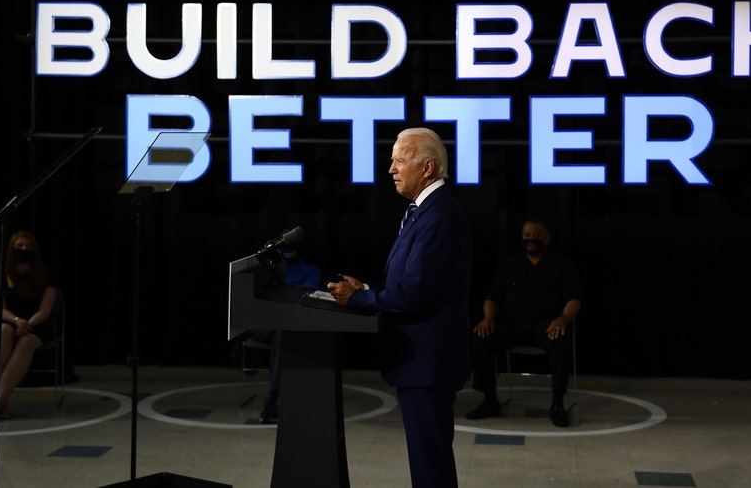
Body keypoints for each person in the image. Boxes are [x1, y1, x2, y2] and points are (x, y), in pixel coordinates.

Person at [328, 127, 471, 488]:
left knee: (430, 464)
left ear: (427, 168)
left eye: (399, 161)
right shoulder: (425, 211)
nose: (391, 169)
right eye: (392, 160)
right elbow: (412, 284)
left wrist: (356, 299)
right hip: (423, 361)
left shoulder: (438, 216)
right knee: (430, 460)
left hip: (427, 363)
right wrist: (369, 288)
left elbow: (412, 295)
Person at [465, 218, 582, 427]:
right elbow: (492, 298)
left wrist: (563, 319)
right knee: (482, 336)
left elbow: (574, 299)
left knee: (562, 340)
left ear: (546, 239)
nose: (530, 241)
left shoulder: (561, 264)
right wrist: (488, 318)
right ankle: (489, 400)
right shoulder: (510, 264)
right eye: (526, 236)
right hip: (513, 324)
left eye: (536, 237)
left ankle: (557, 404)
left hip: (547, 325)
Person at [230, 241, 321, 424]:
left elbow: (305, 301)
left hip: (294, 327)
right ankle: (244, 355)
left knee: (282, 331)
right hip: (270, 322)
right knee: (247, 323)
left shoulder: (311, 271)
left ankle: (273, 396)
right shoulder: (272, 270)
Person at [0, 230, 58, 420]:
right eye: (20, 246)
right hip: (12, 321)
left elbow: (45, 310)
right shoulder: (2, 272)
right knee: (2, 330)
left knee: (25, 342)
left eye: (28, 247)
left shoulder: (45, 273)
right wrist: (16, 321)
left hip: (37, 325)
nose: (24, 250)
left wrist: (26, 325)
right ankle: (2, 402)